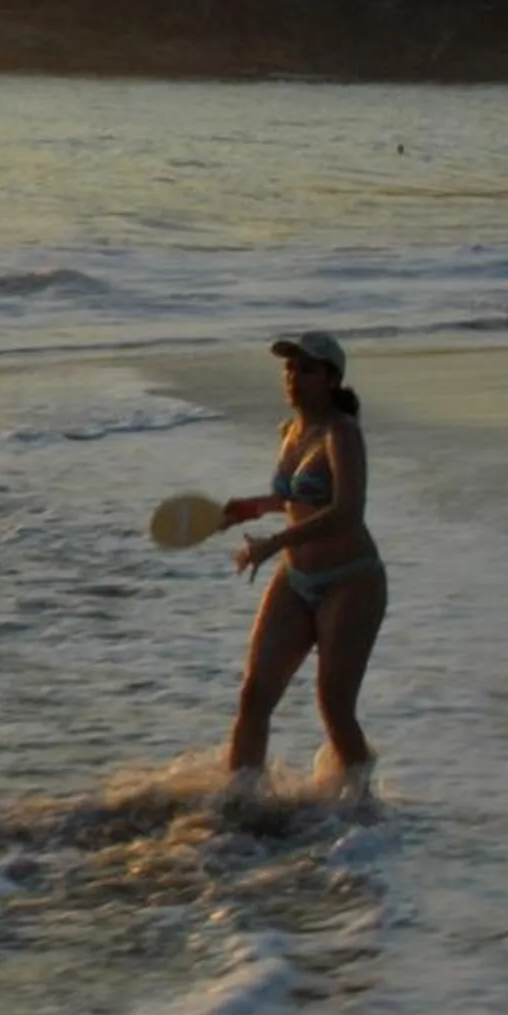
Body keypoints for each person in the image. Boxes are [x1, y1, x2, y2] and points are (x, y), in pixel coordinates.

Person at [217, 330, 385, 789]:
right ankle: (241, 799)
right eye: (289, 368)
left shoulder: (342, 433)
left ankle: (360, 803)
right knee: (255, 695)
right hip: (296, 578)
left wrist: (274, 542)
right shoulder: (292, 430)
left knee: (333, 703)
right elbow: (292, 496)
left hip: (350, 581)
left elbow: (347, 511)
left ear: (331, 379)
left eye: (306, 369)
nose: (293, 377)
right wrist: (246, 510)